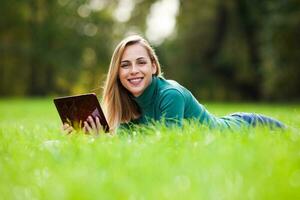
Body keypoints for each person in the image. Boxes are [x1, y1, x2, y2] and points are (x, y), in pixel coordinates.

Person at [63, 35, 285, 134]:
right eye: (125, 65)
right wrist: (94, 140)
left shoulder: (171, 95)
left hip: (251, 127)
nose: (133, 71)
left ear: (154, 67)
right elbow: (126, 147)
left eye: (141, 62)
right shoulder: (127, 103)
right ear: (117, 73)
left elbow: (168, 146)